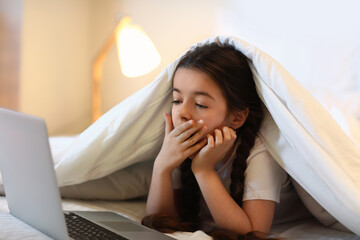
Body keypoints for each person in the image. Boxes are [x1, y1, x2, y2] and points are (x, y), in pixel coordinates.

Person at [141, 42, 288, 239]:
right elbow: (159, 222)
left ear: (236, 117)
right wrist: (162, 166)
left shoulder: (259, 151)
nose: (182, 113)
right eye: (177, 100)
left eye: (200, 104)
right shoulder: (179, 144)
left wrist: (204, 170)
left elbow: (252, 233)